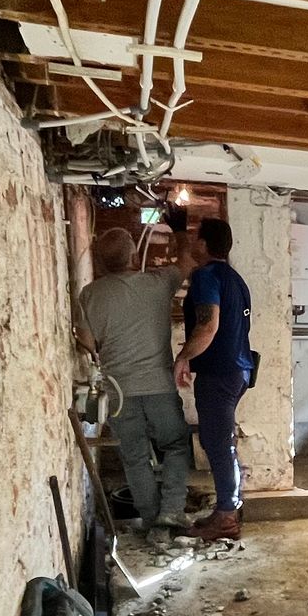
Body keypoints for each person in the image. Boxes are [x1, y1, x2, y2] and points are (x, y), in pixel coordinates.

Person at [76, 227, 189, 533]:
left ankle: (152, 520)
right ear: (135, 255)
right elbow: (189, 261)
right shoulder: (159, 282)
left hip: (118, 392)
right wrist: (178, 226)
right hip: (159, 386)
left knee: (135, 456)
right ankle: (172, 511)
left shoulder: (90, 294)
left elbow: (87, 342)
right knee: (176, 445)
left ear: (100, 261)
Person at [175, 217, 255, 542]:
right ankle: (225, 508)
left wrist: (183, 357)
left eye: (195, 238)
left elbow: (208, 326)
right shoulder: (236, 280)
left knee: (219, 444)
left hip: (219, 373)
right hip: (237, 371)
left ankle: (226, 518)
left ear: (206, 244)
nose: (193, 243)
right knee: (216, 440)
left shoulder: (207, 276)